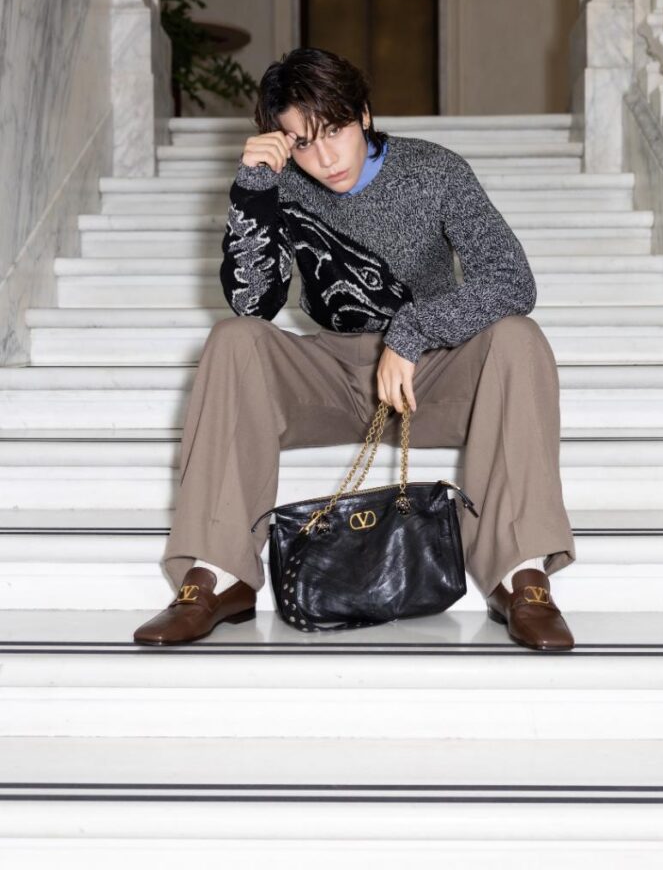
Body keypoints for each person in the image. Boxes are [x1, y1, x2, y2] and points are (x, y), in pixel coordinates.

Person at [133, 46, 577, 651]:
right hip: (331, 377)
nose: (325, 158)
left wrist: (412, 331)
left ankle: (521, 575)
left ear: (363, 114)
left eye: (334, 131)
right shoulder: (280, 186)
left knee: (519, 338)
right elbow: (252, 305)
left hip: (430, 378)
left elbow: (511, 280)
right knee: (233, 340)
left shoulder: (434, 171)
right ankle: (215, 577)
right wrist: (254, 191)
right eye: (301, 142)